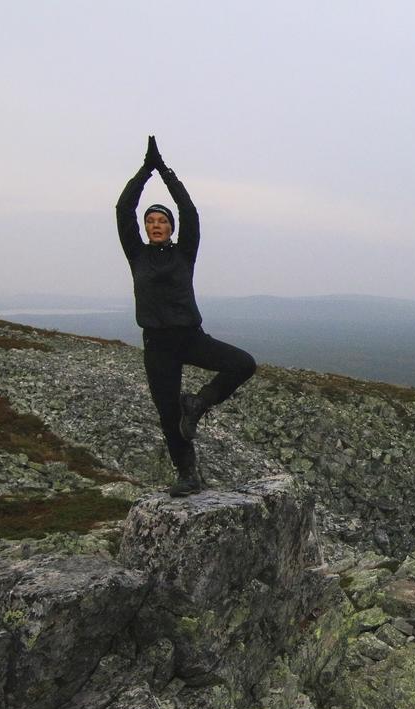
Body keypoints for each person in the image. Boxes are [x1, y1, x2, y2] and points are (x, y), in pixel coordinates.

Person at [117, 136, 256, 496]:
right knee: (168, 416)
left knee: (243, 364)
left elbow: (189, 210)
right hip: (157, 345)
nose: (156, 224)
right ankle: (187, 474)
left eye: (162, 220)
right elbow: (123, 208)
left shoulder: (184, 253)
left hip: (190, 337)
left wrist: (165, 170)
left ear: (171, 227)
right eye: (151, 221)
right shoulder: (137, 254)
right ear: (145, 229)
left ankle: (198, 402)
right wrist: (145, 171)